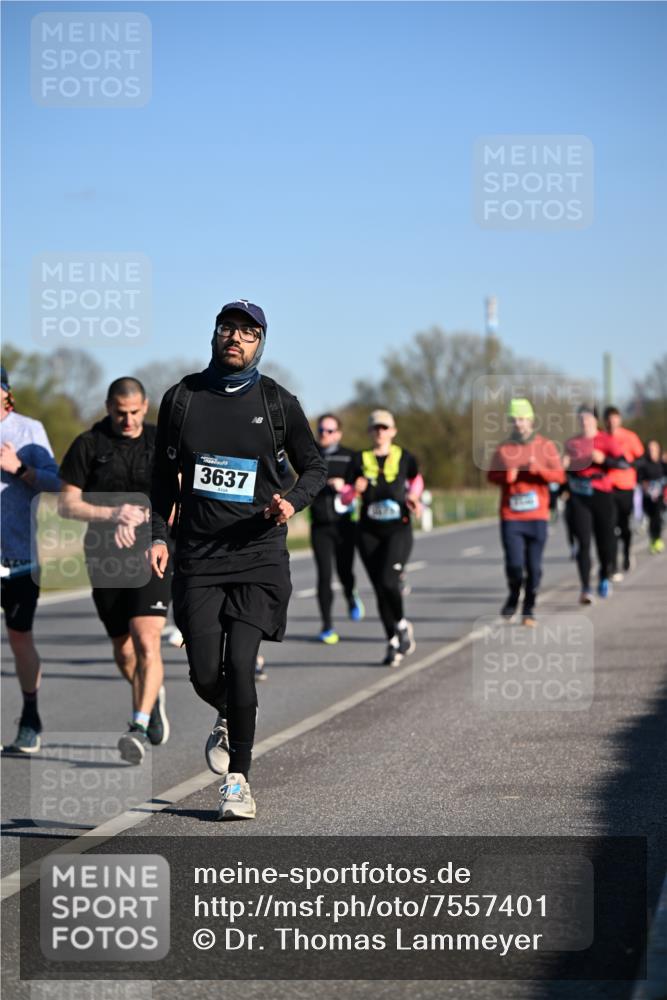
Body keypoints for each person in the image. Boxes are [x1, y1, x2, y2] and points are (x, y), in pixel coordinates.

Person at [149, 299, 325, 820]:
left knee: (242, 668)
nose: (237, 338)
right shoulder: (181, 399)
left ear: (260, 344)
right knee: (207, 674)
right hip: (199, 557)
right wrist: (160, 535)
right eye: (229, 328)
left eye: (249, 333)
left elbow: (313, 466)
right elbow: (162, 480)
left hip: (259, 554)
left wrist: (291, 500)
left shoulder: (277, 402)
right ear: (215, 334)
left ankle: (237, 781)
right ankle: (228, 713)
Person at [59, 377, 171, 764]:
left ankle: (137, 725)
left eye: (135, 412)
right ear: (108, 407)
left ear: (145, 406)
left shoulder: (160, 442)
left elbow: (179, 493)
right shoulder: (88, 445)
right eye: (120, 413)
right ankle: (151, 697)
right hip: (104, 559)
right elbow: (66, 504)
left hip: (151, 553)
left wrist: (146, 521)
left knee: (147, 639)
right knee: (124, 651)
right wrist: (112, 512)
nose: (128, 420)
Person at [0, 365, 60, 753]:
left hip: (20, 555)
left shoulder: (28, 430)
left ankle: (31, 716)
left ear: (5, 392)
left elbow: (57, 483)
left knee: (20, 637)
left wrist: (19, 468)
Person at [346, 409, 422, 667]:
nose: (380, 432)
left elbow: (416, 480)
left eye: (384, 427)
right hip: (367, 531)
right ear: (370, 432)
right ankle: (392, 641)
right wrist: (353, 491)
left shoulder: (404, 457)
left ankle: (401, 624)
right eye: (375, 428)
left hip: (398, 528)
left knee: (390, 581)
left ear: (393, 431)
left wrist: (414, 497)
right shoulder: (359, 459)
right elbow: (345, 496)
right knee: (380, 588)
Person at [487, 398, 565, 626]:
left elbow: (560, 476)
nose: (518, 424)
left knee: (535, 569)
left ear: (530, 420)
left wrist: (539, 470)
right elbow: (491, 475)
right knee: (514, 565)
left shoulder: (545, 446)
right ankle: (513, 594)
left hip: (537, 516)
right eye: (514, 420)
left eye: (521, 419)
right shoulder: (504, 448)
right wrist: (505, 476)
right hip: (511, 516)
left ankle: (528, 609)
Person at [564, 404, 629, 603]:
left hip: (602, 494)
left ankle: (603, 575)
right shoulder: (572, 443)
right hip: (579, 495)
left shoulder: (606, 440)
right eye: (581, 418)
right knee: (583, 542)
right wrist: (565, 466)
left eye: (588, 418)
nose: (584, 421)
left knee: (606, 542)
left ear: (595, 420)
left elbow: (624, 464)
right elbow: (566, 471)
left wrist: (604, 460)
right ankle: (585, 588)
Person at [310, 413, 364, 644]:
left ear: (339, 434)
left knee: (344, 572)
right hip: (320, 525)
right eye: (321, 430)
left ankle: (351, 595)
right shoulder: (309, 456)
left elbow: (362, 486)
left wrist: (346, 487)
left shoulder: (350, 457)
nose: (324, 434)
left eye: (330, 431)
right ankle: (327, 626)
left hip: (344, 525)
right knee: (323, 576)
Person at [603, 406, 644, 580]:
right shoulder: (601, 438)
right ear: (605, 421)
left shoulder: (630, 437)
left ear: (619, 420)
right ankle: (613, 565)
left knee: (623, 526)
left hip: (626, 486)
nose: (612, 422)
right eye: (609, 419)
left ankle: (627, 552)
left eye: (614, 419)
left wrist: (631, 465)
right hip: (607, 488)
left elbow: (641, 458)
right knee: (610, 527)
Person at [637, 440, 665, 554]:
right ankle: (653, 539)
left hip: (660, 496)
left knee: (657, 517)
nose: (652, 451)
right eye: (650, 449)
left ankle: (657, 539)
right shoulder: (644, 465)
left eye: (654, 449)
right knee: (652, 518)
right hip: (648, 496)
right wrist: (645, 486)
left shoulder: (663, 464)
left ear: (659, 449)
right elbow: (639, 479)